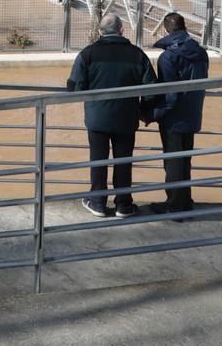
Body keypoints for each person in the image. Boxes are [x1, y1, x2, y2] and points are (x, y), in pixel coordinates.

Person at [67, 12, 158, 218]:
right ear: (122, 30)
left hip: (97, 119)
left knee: (98, 160)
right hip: (126, 118)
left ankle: (97, 203)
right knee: (123, 162)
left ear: (100, 31)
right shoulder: (138, 55)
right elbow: (152, 90)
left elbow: (74, 88)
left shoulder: (87, 54)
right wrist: (143, 111)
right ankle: (123, 205)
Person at [149, 13, 209, 217]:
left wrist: (153, 114)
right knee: (185, 159)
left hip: (173, 117)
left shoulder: (168, 57)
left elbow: (170, 95)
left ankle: (174, 204)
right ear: (184, 28)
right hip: (193, 113)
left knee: (173, 161)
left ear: (166, 30)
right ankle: (185, 201)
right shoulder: (201, 53)